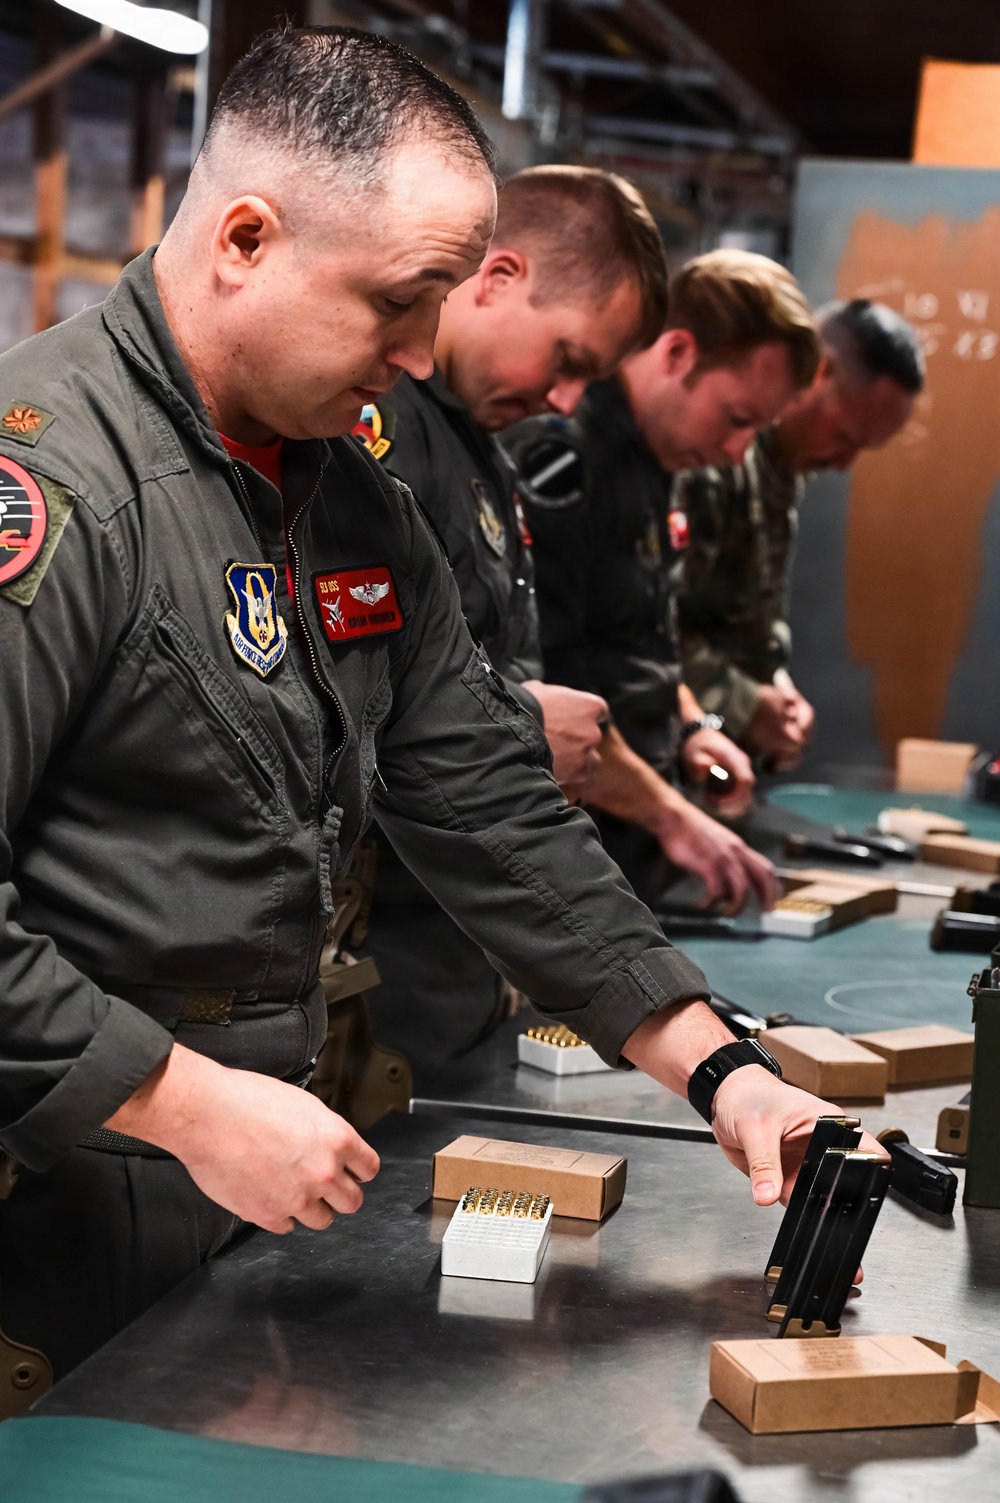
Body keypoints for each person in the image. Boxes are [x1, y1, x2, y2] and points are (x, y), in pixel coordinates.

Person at [0, 26, 871, 1395]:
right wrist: (182, 1099)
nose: (419, 355)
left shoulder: (348, 500)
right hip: (53, 1214)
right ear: (243, 238)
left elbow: (491, 805)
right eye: (399, 301)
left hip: (245, 1185)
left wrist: (722, 1069)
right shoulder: (53, 493)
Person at [352, 167, 774, 1082]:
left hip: (463, 947)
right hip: (384, 960)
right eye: (570, 359)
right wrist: (512, 722)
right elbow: (320, 693)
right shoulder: (373, 435)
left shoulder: (473, 445)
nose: (570, 400)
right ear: (498, 278)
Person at [521, 250, 820, 906]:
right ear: (678, 352)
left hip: (630, 837)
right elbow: (555, 679)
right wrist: (674, 816)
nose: (739, 451)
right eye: (736, 417)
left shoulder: (662, 455)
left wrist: (695, 728)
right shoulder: (566, 455)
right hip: (557, 849)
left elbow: (644, 637)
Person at [677, 298, 924, 770]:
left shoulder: (781, 474)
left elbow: (748, 622)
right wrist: (745, 702)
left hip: (722, 768)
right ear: (818, 373)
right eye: (846, 435)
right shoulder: (720, 458)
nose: (842, 464)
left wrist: (779, 693)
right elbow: (649, 627)